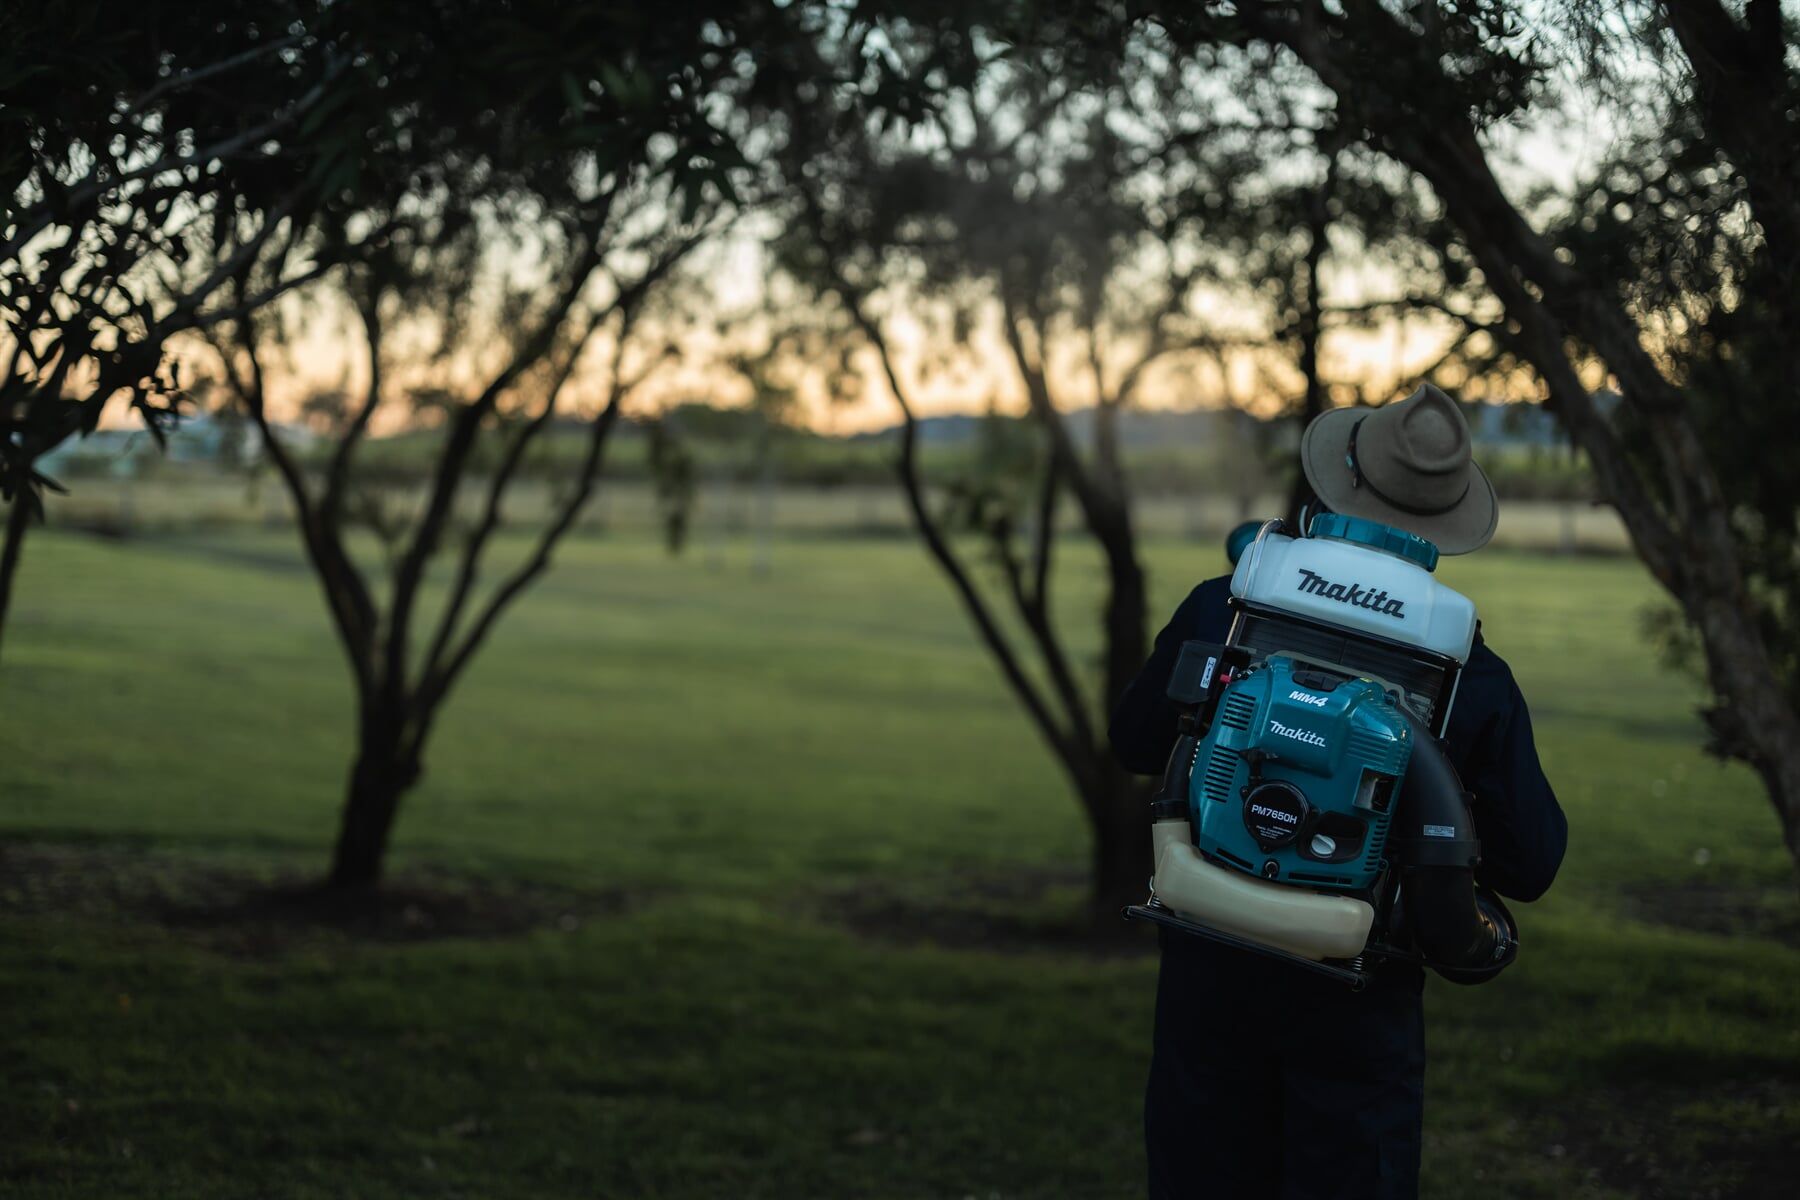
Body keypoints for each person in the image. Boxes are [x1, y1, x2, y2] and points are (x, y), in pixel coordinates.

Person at [1110, 384, 1569, 1200]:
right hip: (1356, 982)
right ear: (1447, 516)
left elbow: (1136, 740)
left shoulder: (1229, 602)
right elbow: (1531, 863)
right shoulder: (1470, 670)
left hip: (1206, 957)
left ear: (1339, 478)